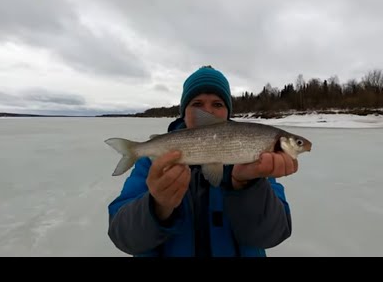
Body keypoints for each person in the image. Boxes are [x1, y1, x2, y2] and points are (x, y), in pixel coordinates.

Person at [107, 66, 298, 257]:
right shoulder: (152, 164)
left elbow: (274, 234)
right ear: (184, 111)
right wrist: (157, 205)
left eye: (217, 104)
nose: (207, 111)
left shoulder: (255, 163)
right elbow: (121, 235)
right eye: (197, 103)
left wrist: (249, 186)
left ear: (227, 112)